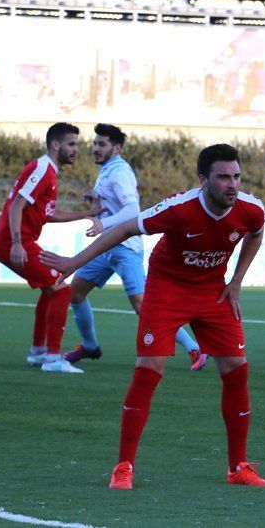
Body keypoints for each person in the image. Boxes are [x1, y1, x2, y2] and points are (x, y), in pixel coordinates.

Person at [40, 143, 265, 489]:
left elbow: (255, 233)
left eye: (236, 176)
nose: (232, 184)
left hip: (213, 290)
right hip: (168, 289)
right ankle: (123, 467)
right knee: (150, 370)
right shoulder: (179, 208)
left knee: (237, 369)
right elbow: (124, 229)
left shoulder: (251, 209)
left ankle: (238, 467)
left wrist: (236, 281)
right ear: (203, 179)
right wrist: (74, 263)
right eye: (223, 177)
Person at [65, 124, 205, 370]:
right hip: (108, 247)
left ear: (117, 148)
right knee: (74, 293)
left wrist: (103, 223)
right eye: (95, 143)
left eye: (102, 144)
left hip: (125, 247)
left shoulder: (120, 172)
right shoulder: (109, 169)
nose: (95, 148)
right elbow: (119, 202)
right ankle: (89, 346)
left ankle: (195, 349)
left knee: (143, 305)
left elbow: (132, 210)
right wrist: (98, 197)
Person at [0, 122, 103, 374]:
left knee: (51, 290)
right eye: (71, 144)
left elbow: (48, 214)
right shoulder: (42, 169)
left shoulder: (49, 172)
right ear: (55, 144)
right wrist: (18, 243)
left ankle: (38, 352)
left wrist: (87, 213)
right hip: (13, 242)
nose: (76, 149)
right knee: (62, 290)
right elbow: (18, 205)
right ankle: (53, 358)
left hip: (16, 241)